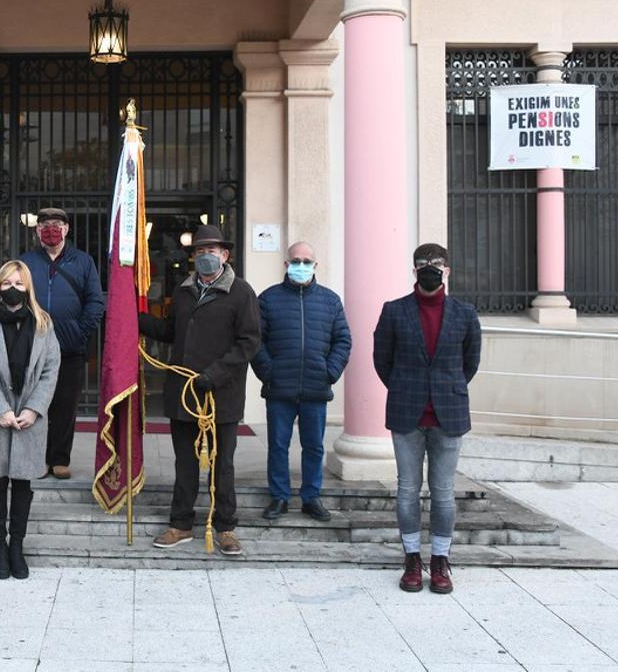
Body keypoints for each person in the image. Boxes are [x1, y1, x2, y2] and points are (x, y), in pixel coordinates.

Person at [138, 225, 260, 556]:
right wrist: (136, 319)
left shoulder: (241, 293)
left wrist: (214, 374)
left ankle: (225, 528)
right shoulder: (183, 291)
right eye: (201, 251)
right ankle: (180, 524)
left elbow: (249, 342)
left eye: (213, 250)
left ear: (225, 255)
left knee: (223, 464)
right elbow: (170, 331)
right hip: (184, 395)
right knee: (185, 463)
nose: (207, 256)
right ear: (194, 257)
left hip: (221, 395)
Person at [373, 242, 481, 595]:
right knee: (407, 490)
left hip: (448, 414)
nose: (430, 268)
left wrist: (444, 388)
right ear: (414, 269)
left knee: (443, 493)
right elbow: (382, 360)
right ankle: (411, 559)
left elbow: (470, 363)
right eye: (423, 263)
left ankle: (440, 561)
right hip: (407, 413)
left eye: (436, 263)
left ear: (447, 270)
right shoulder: (394, 311)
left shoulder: (465, 314)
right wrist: (408, 388)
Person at [0, 259, 60, 580]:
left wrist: (34, 408)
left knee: (23, 483)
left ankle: (16, 546)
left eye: (19, 284)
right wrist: (1, 410)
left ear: (28, 288)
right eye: (6, 283)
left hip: (29, 418)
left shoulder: (43, 324)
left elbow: (50, 370)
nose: (12, 289)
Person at [252, 241, 352, 522]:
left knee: (314, 447)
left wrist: (329, 372)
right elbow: (256, 341)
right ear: (286, 264)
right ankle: (279, 497)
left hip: (316, 388)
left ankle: (311, 497)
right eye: (296, 260)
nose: (301, 265)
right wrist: (268, 372)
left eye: (307, 261)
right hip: (279, 388)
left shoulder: (330, 301)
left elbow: (343, 340)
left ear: (315, 265)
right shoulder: (268, 299)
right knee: (278, 446)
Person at [19, 207, 106, 480]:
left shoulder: (83, 262)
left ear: (67, 229)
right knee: (35, 404)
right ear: (36, 231)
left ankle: (59, 459)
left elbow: (96, 301)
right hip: (33, 348)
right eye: (44, 224)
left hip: (70, 348)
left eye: (57, 224)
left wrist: (80, 332)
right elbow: (10, 294)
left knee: (65, 406)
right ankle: (38, 458)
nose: (51, 229)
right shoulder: (25, 262)